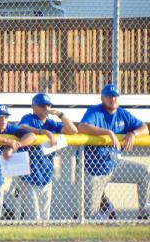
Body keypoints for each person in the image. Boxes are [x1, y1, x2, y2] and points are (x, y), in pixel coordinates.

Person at [77, 83, 150, 220]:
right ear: (102, 98)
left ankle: (143, 213)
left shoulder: (122, 113)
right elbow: (82, 127)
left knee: (144, 172)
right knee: (89, 215)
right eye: (109, 96)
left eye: (116, 96)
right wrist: (107, 132)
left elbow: (144, 128)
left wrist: (133, 133)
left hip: (115, 164)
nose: (113, 99)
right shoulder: (95, 111)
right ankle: (103, 211)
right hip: (95, 169)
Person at [16, 93, 78, 221]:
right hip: (28, 175)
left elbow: (73, 130)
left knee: (45, 218)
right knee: (33, 217)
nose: (45, 108)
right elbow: (21, 127)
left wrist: (60, 114)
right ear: (33, 107)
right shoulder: (29, 118)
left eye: (48, 105)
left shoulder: (51, 123)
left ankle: (42, 241)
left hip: (46, 174)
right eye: (41, 105)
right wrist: (43, 132)